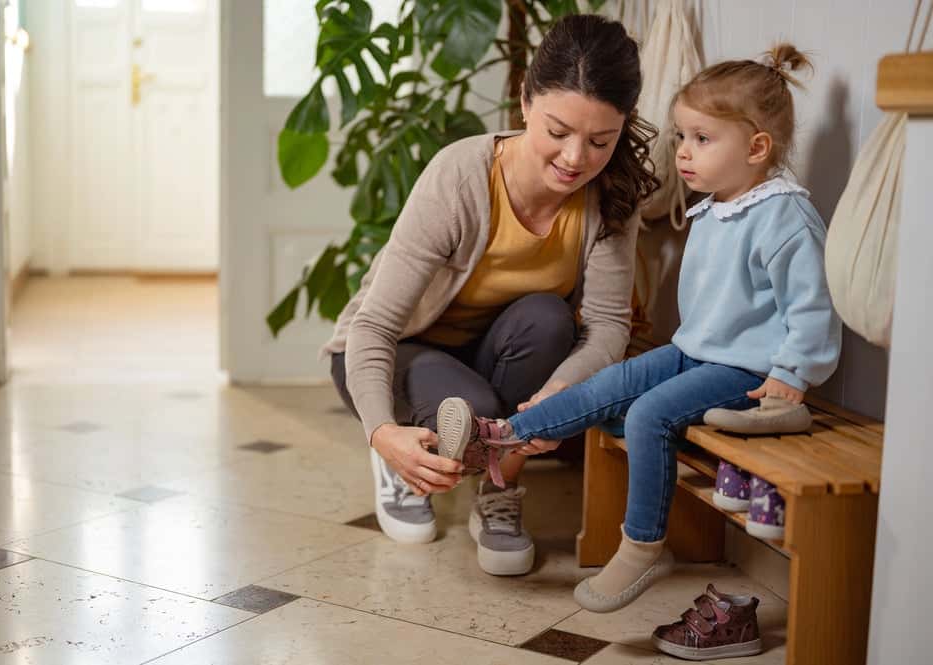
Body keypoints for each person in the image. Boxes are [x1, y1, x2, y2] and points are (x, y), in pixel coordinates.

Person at [435, 44, 841, 608]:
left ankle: (643, 548)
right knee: (613, 384)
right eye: (680, 137)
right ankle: (500, 437)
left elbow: (814, 307)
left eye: (702, 139)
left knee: (647, 412)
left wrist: (793, 376)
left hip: (749, 371)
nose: (683, 153)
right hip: (696, 352)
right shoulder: (717, 207)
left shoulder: (784, 216)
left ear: (756, 148)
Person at [322, 14, 659, 576]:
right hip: (396, 350)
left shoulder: (611, 196)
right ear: (525, 102)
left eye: (601, 140)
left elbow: (605, 327)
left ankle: (498, 490)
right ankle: (407, 455)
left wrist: (559, 396)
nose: (575, 159)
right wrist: (381, 433)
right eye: (557, 132)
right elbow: (375, 326)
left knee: (550, 321)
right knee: (474, 409)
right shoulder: (460, 176)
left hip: (495, 354)